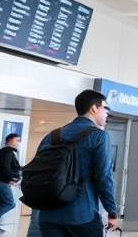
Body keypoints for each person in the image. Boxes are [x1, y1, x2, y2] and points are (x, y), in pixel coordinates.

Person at [35, 89, 119, 237]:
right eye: (105, 108)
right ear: (94, 108)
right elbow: (104, 177)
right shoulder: (99, 136)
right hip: (81, 214)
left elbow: (36, 170)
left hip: (48, 214)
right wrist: (112, 211)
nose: (107, 113)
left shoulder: (52, 135)